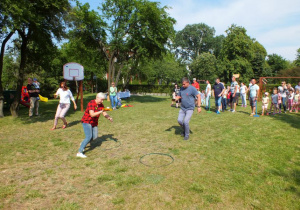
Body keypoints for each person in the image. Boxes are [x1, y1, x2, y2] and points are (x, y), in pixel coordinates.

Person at [77, 93, 113, 158]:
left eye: (103, 100)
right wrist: (101, 111)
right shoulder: (91, 103)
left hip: (94, 122)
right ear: (97, 98)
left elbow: (104, 112)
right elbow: (92, 114)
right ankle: (79, 152)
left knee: (95, 137)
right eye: (101, 100)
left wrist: (109, 117)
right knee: (88, 137)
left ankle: (83, 143)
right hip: (87, 121)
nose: (102, 101)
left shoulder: (100, 104)